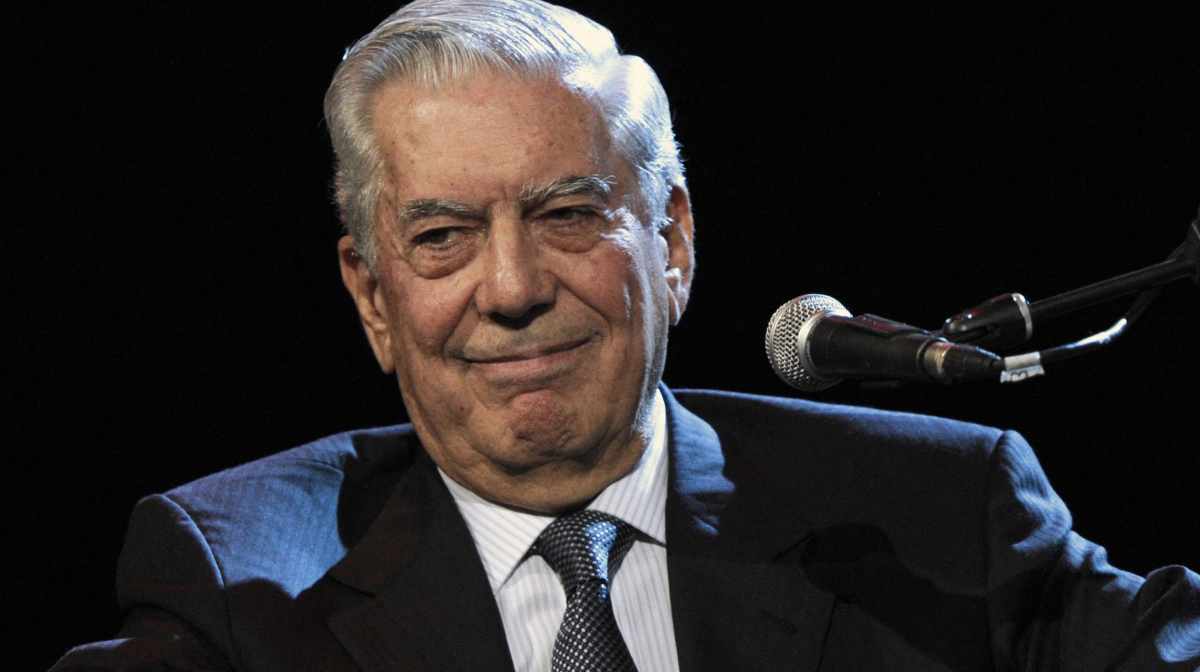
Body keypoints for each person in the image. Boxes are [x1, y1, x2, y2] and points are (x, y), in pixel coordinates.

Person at [52, 1, 1199, 670]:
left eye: (567, 215)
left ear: (674, 240)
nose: (511, 289)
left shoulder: (941, 515)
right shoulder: (236, 583)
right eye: (444, 236)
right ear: (370, 294)